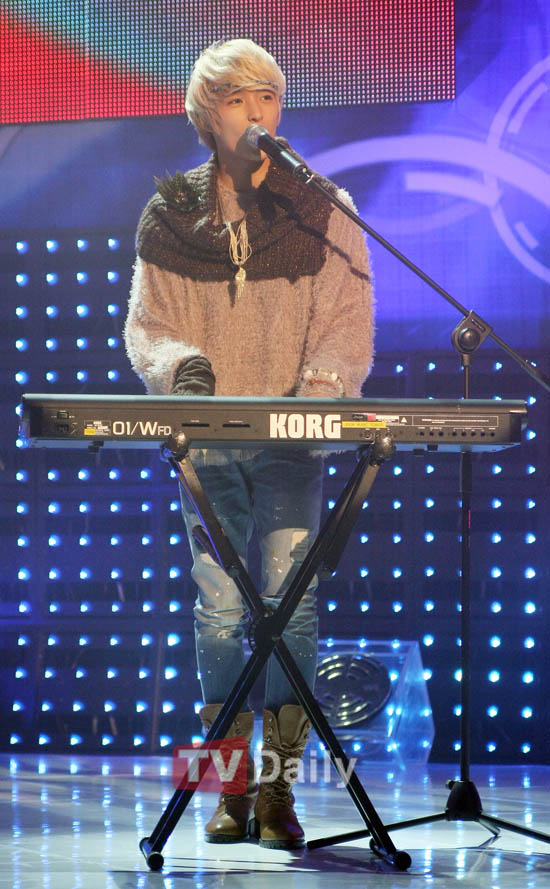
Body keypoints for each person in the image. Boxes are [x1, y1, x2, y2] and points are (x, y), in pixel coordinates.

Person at [124, 37, 374, 850]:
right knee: (220, 610)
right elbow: (147, 327)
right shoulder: (171, 215)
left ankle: (278, 792)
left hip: (292, 442)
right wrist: (182, 369)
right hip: (207, 444)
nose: (256, 112)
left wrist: (320, 391)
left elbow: (346, 325)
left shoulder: (321, 207)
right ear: (207, 117)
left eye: (267, 95)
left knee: (290, 601)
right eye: (237, 99)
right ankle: (228, 791)